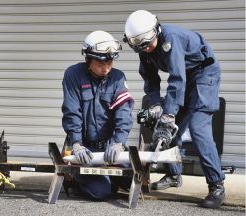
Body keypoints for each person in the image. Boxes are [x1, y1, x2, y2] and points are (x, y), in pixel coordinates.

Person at [123, 10, 225, 208]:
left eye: (150, 45)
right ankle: (173, 175)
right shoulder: (144, 49)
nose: (148, 50)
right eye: (143, 48)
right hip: (185, 78)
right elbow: (151, 81)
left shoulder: (171, 39)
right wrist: (155, 106)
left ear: (156, 30)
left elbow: (176, 78)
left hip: (204, 74)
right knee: (166, 128)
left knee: (197, 126)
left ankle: (217, 186)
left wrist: (168, 113)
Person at [62, 30, 134, 200]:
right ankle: (76, 178)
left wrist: (119, 142)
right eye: (101, 63)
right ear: (88, 59)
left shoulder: (118, 78)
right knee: (101, 192)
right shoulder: (73, 75)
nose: (106, 68)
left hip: (109, 147)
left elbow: (123, 112)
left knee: (134, 179)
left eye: (110, 63)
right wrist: (77, 144)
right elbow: (72, 111)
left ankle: (110, 179)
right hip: (85, 148)